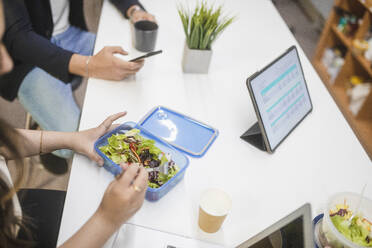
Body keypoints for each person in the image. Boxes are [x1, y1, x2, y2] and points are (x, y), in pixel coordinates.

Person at [0, 1, 148, 246]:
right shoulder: (13, 55)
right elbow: (18, 38)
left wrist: (72, 138)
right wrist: (107, 219)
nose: (4, 64)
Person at [1, 0, 155, 159]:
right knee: (77, 140)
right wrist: (90, 65)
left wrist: (133, 9)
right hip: (25, 59)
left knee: (128, 62)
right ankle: (46, 143)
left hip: (69, 34)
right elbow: (18, 37)